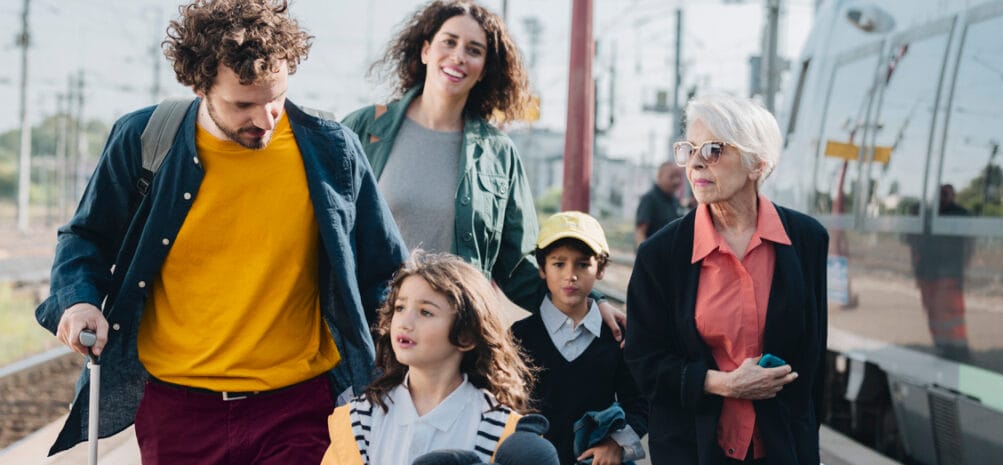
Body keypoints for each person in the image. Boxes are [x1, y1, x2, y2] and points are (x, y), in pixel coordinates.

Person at [34, 1, 407, 462]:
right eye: (243, 104)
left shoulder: (332, 151)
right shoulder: (144, 141)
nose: (266, 119)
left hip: (298, 406)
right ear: (199, 84)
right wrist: (78, 300)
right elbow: (85, 237)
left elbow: (384, 270)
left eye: (276, 98)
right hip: (179, 409)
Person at [341, 0, 625, 338]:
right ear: (426, 51)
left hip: (455, 340)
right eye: (449, 42)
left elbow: (520, 267)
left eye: (473, 50)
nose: (459, 56)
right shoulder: (364, 128)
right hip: (369, 333)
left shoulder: (498, 153)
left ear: (484, 68)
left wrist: (589, 303)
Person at [624, 95, 828, 465]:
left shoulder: (807, 240)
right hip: (695, 450)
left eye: (714, 149)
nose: (696, 161)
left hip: (784, 448)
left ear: (757, 164)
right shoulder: (660, 255)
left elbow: (814, 364)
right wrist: (723, 383)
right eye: (689, 149)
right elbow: (644, 363)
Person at [321, 251, 535, 465]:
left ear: (466, 335)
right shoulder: (361, 418)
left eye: (426, 312)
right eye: (400, 307)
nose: (405, 322)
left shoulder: (499, 428)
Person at [511, 211, 648, 465]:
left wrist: (616, 444)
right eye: (558, 263)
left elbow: (640, 402)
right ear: (542, 268)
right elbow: (507, 407)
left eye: (583, 264)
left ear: (601, 269)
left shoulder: (617, 337)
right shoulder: (519, 335)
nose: (570, 275)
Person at [904, 184, 973, 361]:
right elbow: (914, 245)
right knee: (933, 313)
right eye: (940, 194)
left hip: (949, 274)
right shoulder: (927, 215)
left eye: (946, 194)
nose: (943, 197)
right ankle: (941, 346)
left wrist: (963, 267)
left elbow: (969, 245)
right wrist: (916, 272)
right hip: (927, 273)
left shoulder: (959, 213)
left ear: (953, 195)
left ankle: (959, 350)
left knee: (951, 314)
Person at [635, 161, 686, 248]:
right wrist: (646, 258)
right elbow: (640, 232)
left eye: (678, 177)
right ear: (659, 177)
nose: (676, 181)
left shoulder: (674, 200)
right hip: (654, 257)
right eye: (671, 177)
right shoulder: (649, 199)